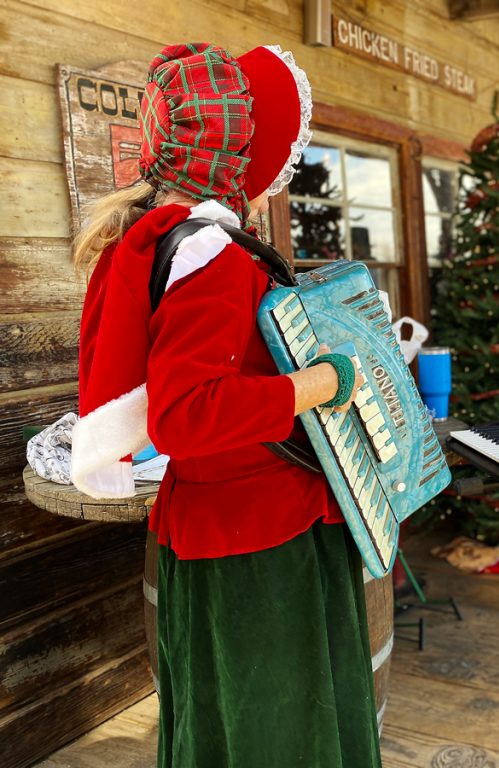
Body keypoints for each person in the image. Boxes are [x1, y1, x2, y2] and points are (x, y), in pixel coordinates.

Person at [70, 43, 382, 767]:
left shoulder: (155, 236)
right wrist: (321, 383)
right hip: (261, 547)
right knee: (282, 736)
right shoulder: (209, 254)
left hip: (216, 529)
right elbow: (188, 413)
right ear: (233, 153)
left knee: (226, 731)